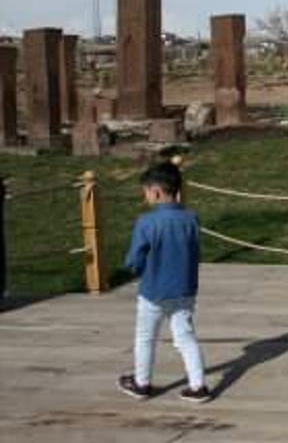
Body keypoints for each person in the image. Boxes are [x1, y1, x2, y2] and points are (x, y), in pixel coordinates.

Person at [116, 162, 209, 404]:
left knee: (146, 337)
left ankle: (142, 383)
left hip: (153, 290)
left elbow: (134, 259)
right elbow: (197, 252)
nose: (145, 197)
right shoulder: (191, 218)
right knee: (185, 337)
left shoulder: (146, 222)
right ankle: (198, 386)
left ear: (156, 192)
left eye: (145, 192)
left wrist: (132, 267)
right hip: (185, 289)